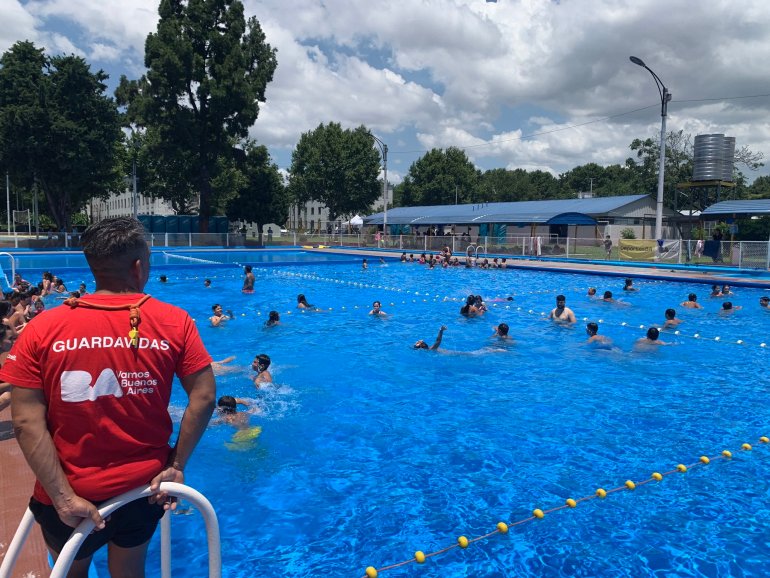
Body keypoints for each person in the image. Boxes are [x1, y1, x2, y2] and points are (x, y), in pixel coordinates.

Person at [0, 217, 215, 576]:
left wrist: (63, 497)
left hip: (67, 492)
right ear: (138, 266)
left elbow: (24, 419)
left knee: (71, 571)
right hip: (143, 489)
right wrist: (176, 465)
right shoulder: (175, 321)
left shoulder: (42, 328)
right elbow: (205, 397)